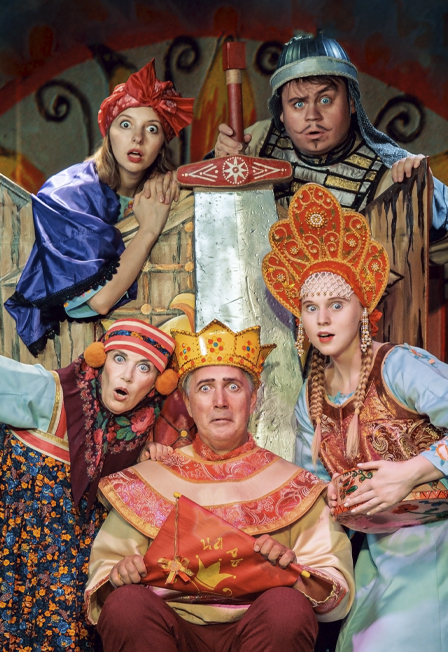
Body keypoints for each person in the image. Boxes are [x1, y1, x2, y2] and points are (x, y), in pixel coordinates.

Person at [85, 319, 355, 652]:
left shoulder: (294, 485)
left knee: (287, 608)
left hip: (257, 630)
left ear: (253, 400)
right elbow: (104, 575)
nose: (220, 401)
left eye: (233, 387)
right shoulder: (149, 480)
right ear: (188, 403)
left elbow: (334, 586)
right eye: (205, 388)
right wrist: (120, 575)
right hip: (170, 631)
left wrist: (293, 570)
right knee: (125, 606)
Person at [262, 182, 448, 652]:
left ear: (362, 310)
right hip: (378, 555)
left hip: (438, 541)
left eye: (336, 305)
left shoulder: (399, 366)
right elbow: (315, 485)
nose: (323, 319)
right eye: (310, 307)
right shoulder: (311, 397)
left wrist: (412, 471)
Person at [0, 318, 177, 651]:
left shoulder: (139, 435)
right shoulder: (52, 394)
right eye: (119, 359)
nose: (127, 375)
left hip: (71, 582)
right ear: (101, 360)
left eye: (144, 367)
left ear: (157, 384)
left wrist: (146, 467)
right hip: (17, 558)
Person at [5, 59, 195, 356]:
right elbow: (101, 300)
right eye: (125, 124)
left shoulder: (163, 188)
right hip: (65, 352)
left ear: (162, 142)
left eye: (152, 129)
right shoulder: (69, 195)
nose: (138, 138)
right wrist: (148, 230)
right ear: (109, 133)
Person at [213, 32, 448, 236]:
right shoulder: (255, 142)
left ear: (351, 102)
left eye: (325, 100)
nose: (312, 116)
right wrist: (219, 164)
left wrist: (424, 191)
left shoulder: (390, 173)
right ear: (281, 113)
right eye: (298, 104)